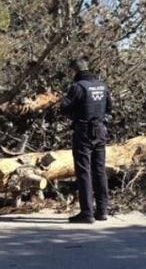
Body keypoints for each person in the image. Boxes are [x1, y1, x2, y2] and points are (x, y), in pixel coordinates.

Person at [59, 58, 113, 224]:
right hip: (100, 130)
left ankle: (87, 213)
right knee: (99, 170)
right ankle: (102, 210)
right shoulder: (102, 86)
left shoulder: (77, 87)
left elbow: (64, 108)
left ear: (74, 71)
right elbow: (109, 108)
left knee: (84, 171)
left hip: (83, 132)